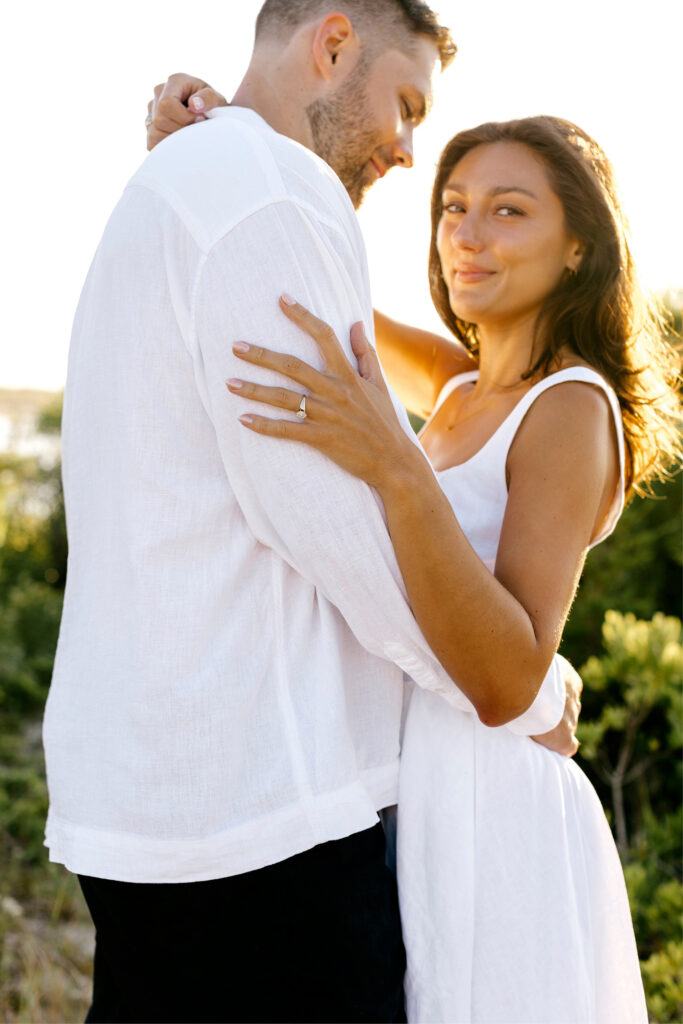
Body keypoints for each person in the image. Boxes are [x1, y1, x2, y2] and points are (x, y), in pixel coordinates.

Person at [43, 4, 581, 1023]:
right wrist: (522, 687)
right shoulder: (274, 202)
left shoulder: (178, 185)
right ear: (331, 44)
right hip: (266, 820)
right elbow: (346, 534)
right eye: (405, 104)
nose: (407, 149)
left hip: (166, 803)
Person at [216, 117, 681, 1021]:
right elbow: (318, 295)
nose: (466, 235)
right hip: (404, 784)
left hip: (488, 806)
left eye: (508, 211)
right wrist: (225, 144)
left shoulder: (570, 409)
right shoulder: (465, 385)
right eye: (453, 208)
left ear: (579, 242)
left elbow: (511, 676)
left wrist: (394, 463)